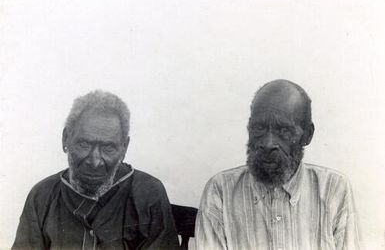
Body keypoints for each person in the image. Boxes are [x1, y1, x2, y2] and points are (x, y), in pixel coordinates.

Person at [195, 80, 361, 250]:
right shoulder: (220, 192)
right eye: (259, 128)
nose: (268, 143)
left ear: (307, 135)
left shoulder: (334, 190)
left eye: (284, 130)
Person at [13, 90, 179, 250]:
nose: (95, 161)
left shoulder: (148, 194)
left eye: (108, 147)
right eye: (84, 144)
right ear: (65, 139)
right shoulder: (42, 196)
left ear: (124, 147)